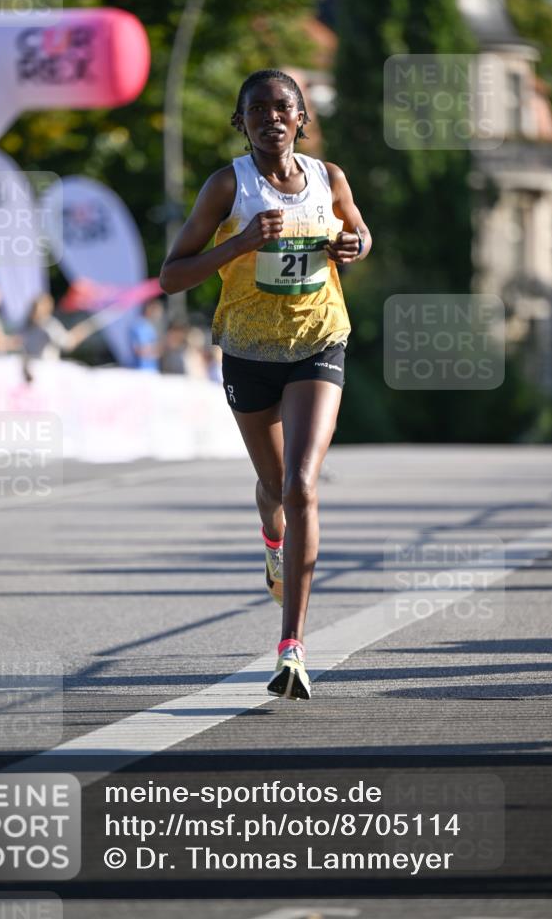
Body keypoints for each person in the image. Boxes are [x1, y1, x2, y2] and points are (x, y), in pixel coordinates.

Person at [160, 69, 372, 700]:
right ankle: (272, 538)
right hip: (249, 350)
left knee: (302, 482)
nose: (271, 118)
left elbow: (358, 229)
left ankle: (292, 647)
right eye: (257, 110)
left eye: (283, 107)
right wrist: (241, 244)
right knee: (274, 487)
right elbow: (171, 276)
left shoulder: (328, 177)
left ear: (301, 118)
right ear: (241, 121)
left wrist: (354, 244)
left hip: (318, 339)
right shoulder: (227, 185)